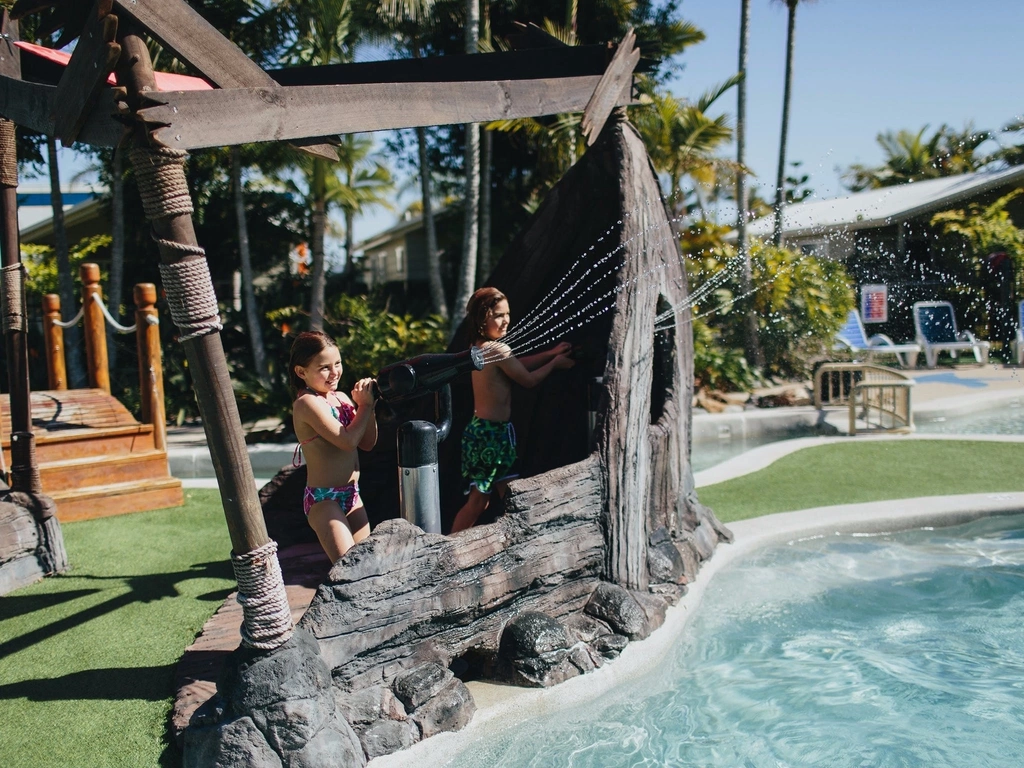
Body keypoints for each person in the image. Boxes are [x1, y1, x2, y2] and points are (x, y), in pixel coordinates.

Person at [450, 287, 575, 533]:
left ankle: (528, 538)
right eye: (498, 315)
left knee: (511, 495)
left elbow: (516, 364)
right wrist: (555, 364)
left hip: (486, 432)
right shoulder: (497, 349)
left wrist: (550, 353)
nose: (505, 320)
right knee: (478, 502)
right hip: (490, 436)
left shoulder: (481, 346)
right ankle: (445, 548)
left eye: (507, 314)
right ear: (482, 317)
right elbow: (527, 380)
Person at [290, 331, 378, 562]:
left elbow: (367, 443)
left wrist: (369, 406)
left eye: (337, 363)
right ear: (301, 372)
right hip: (324, 499)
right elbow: (347, 442)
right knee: (349, 567)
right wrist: (365, 407)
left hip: (352, 494)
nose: (334, 372)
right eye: (324, 367)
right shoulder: (306, 403)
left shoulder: (341, 398)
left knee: (367, 565)